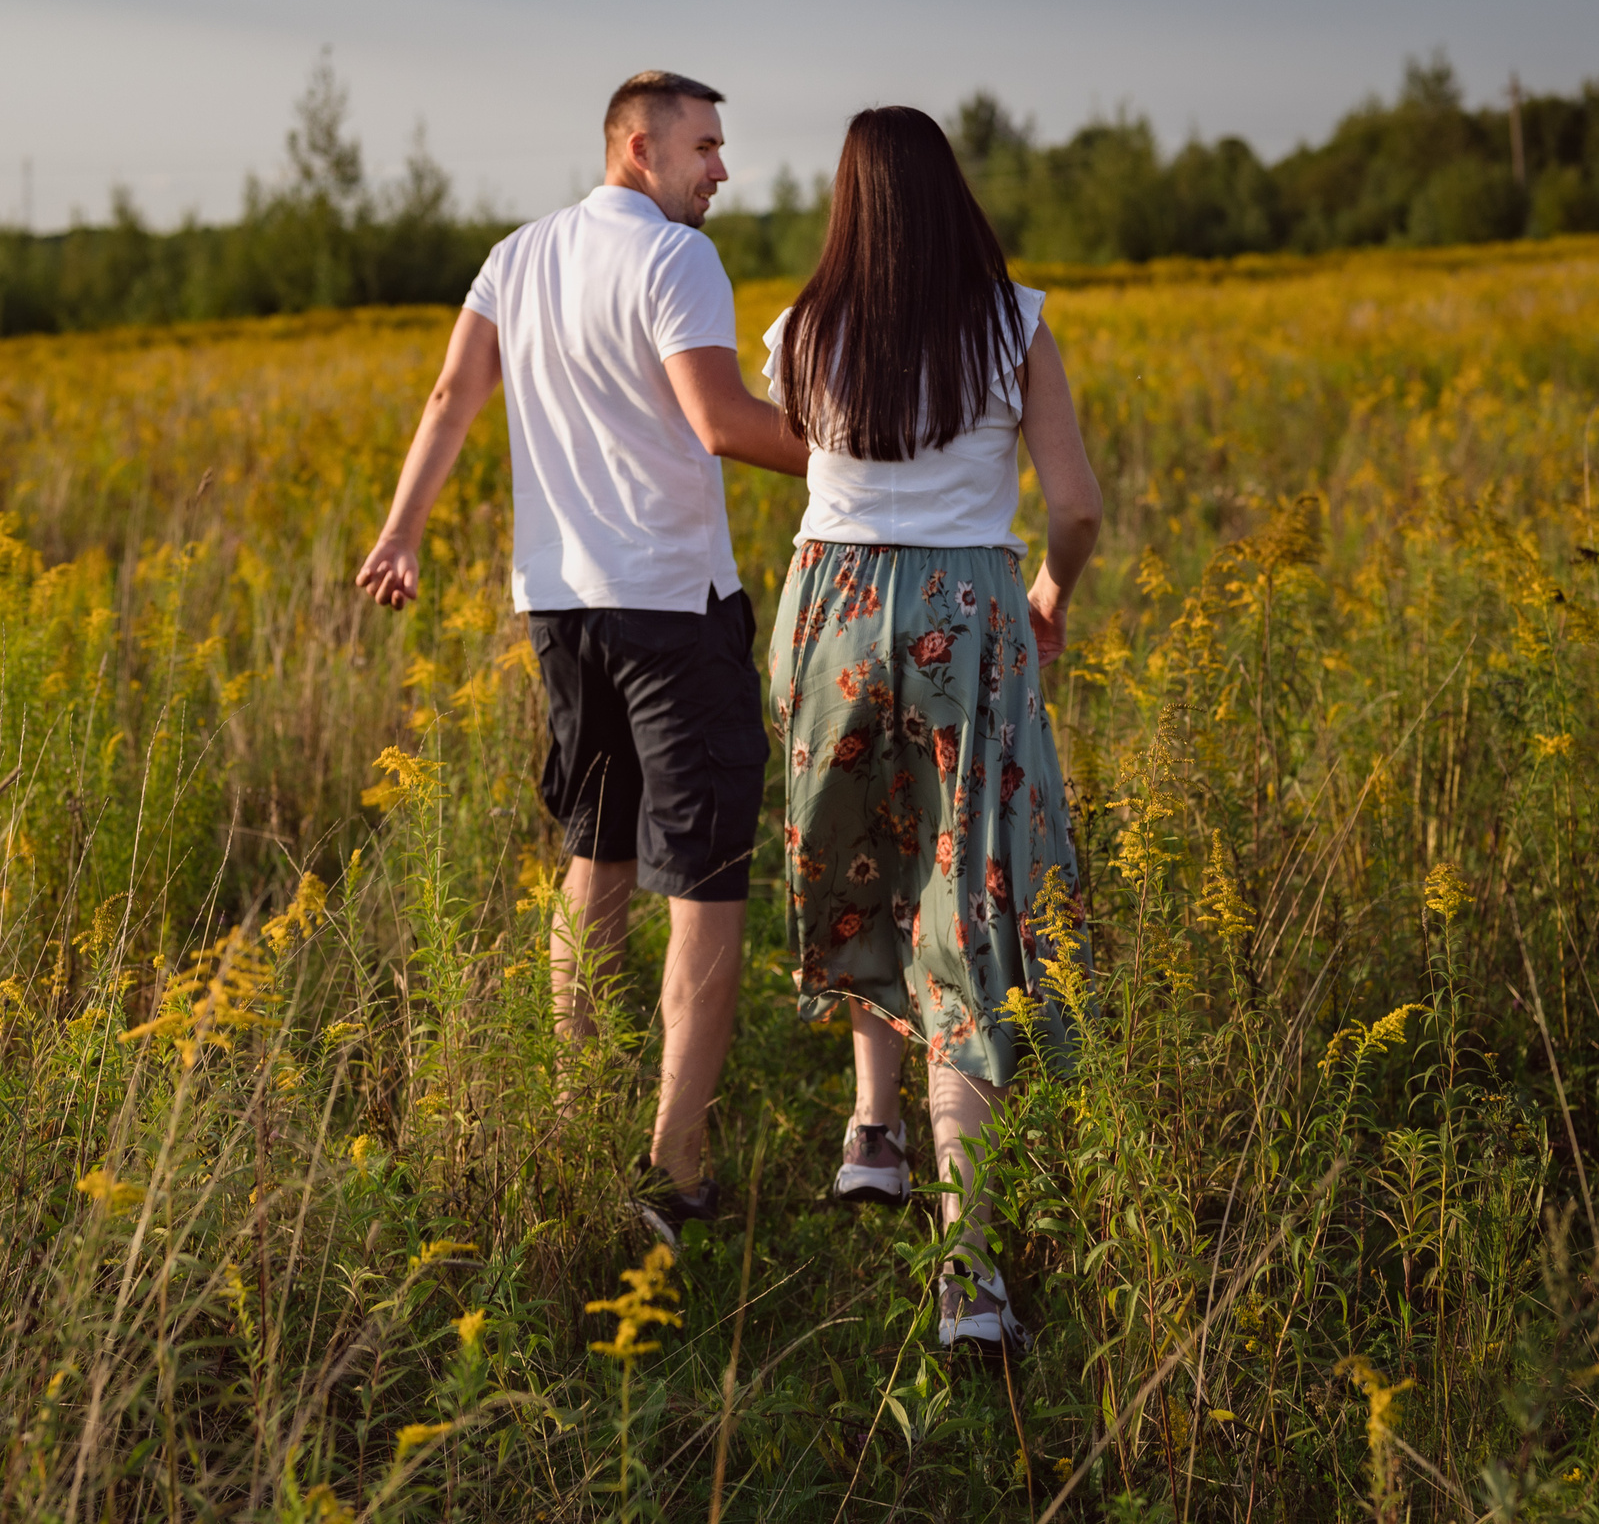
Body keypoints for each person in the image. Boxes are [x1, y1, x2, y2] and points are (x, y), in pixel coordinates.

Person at [356, 71, 809, 1244]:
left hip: (558, 612)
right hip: (669, 605)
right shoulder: (673, 258)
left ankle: (575, 1112)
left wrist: (401, 530)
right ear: (635, 147)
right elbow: (721, 421)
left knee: (595, 854)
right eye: (704, 146)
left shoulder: (516, 256)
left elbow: (455, 392)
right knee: (705, 878)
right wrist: (866, 454)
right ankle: (678, 1162)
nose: (720, 168)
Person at [764, 106, 1101, 1350]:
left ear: (847, 204)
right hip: (967, 613)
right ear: (952, 193)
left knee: (867, 865)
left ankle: (870, 1137)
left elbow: (820, 470)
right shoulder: (1011, 320)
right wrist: (1051, 590)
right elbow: (1076, 505)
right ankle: (967, 1275)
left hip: (834, 613)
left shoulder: (800, 332)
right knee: (965, 903)